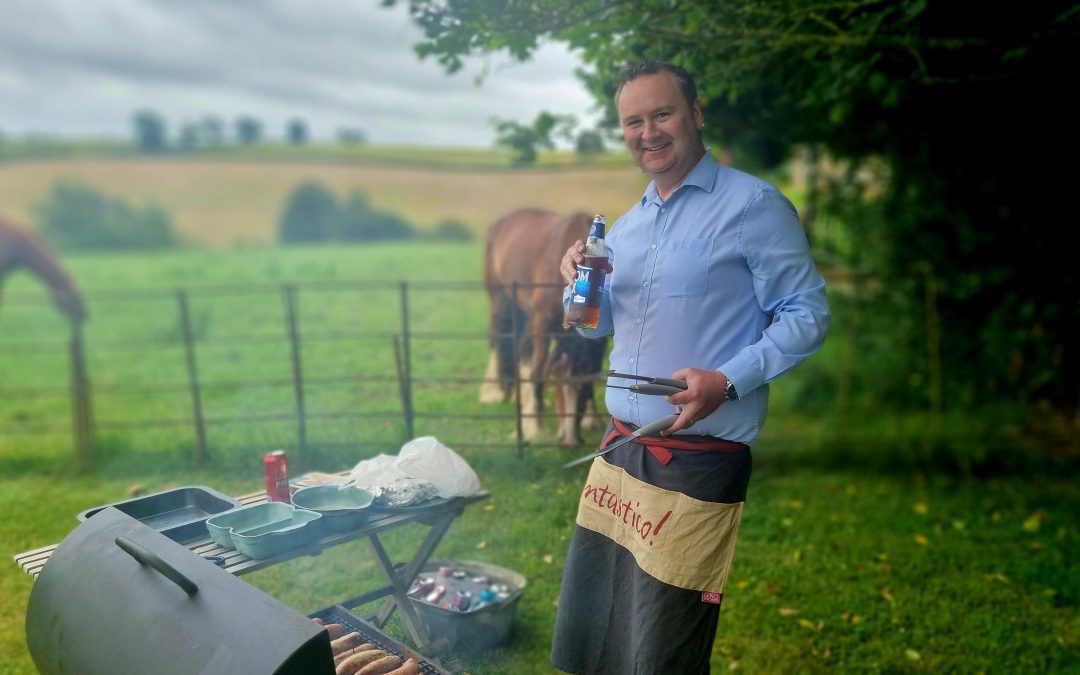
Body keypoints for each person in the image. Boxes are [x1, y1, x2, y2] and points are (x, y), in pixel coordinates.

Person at [550, 60, 830, 673]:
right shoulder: (627, 226)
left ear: (695, 114)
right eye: (633, 121)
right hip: (621, 453)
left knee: (665, 644)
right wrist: (578, 295)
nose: (648, 131)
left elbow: (807, 313)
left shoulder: (754, 205)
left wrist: (727, 380)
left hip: (697, 462)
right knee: (599, 624)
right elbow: (603, 325)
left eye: (662, 114)